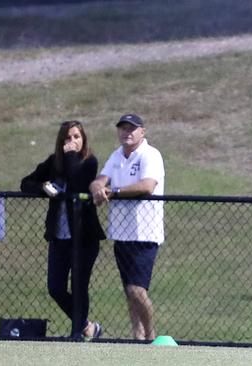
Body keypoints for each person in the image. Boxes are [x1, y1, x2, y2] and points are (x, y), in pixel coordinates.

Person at [20, 120, 105, 339]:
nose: (72, 142)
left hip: (84, 237)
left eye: (76, 137)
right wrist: (44, 188)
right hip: (59, 237)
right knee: (55, 287)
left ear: (83, 139)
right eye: (67, 138)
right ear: (60, 141)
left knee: (79, 286)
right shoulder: (53, 163)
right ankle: (87, 326)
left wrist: (70, 157)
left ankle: (76, 334)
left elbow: (77, 181)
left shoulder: (89, 162)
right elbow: (26, 183)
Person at [89, 113, 165, 340]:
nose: (126, 132)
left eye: (132, 128)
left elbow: (148, 185)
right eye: (122, 128)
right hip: (121, 234)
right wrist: (97, 188)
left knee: (137, 289)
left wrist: (115, 192)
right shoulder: (117, 156)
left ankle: (150, 335)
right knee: (129, 293)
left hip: (145, 233)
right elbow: (100, 179)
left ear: (142, 131)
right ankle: (137, 337)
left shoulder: (150, 155)